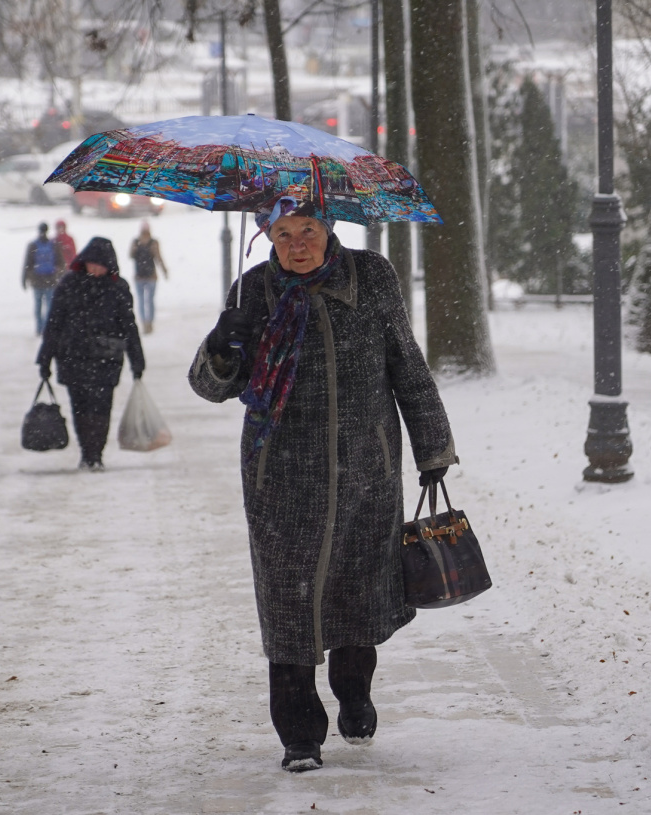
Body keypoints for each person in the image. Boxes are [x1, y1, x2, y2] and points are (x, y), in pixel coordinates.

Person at [187, 196, 457, 772]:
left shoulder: (372, 276)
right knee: (289, 602)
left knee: (359, 592)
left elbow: (406, 364)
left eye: (307, 229)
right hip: (279, 476)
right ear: (267, 236)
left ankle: (354, 692)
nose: (297, 244)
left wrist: (432, 447)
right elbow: (212, 387)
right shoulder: (252, 290)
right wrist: (221, 345)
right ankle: (299, 734)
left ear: (328, 229)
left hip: (366, 467)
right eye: (282, 234)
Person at [37, 237, 144, 471]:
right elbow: (54, 323)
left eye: (101, 265)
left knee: (102, 408)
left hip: (106, 359)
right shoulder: (68, 284)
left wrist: (137, 360)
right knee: (80, 408)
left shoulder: (118, 287)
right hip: (73, 358)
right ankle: (87, 452)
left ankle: (96, 453)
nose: (96, 269)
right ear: (84, 261)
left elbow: (129, 326)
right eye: (93, 264)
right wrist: (44, 357)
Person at [23, 222, 65, 335]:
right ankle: (47, 328)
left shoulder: (33, 245)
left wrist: (24, 278)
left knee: (38, 306)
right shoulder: (54, 244)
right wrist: (61, 276)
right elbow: (61, 262)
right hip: (51, 280)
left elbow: (27, 263)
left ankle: (39, 328)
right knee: (49, 306)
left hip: (37, 280)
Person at [129, 221, 168, 334]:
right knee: (148, 301)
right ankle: (148, 322)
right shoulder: (151, 242)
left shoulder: (138, 242)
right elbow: (158, 257)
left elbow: (131, 255)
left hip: (142, 276)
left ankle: (146, 322)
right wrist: (164, 270)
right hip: (148, 276)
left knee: (143, 301)